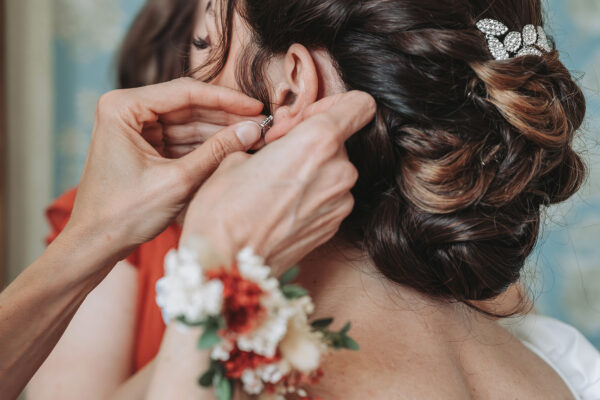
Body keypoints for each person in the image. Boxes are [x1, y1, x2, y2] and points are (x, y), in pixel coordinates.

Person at [30, 0, 600, 399]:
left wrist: (212, 277)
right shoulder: (562, 364)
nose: (182, 77)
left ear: (292, 87)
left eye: (205, 41)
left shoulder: (232, 378)